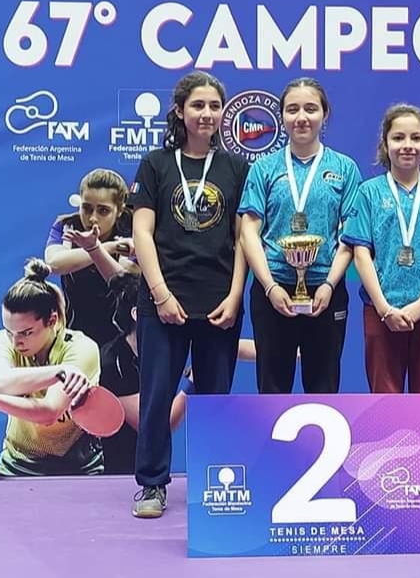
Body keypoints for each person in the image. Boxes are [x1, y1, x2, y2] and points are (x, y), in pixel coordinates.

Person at [129, 71, 249, 518]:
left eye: (214, 106)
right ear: (180, 111)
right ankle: (152, 485)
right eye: (198, 105)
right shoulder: (156, 164)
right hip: (163, 302)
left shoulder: (236, 168)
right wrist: (160, 295)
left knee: (215, 400)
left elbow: (243, 238)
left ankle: (213, 484)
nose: (207, 114)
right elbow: (142, 232)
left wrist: (235, 296)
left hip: (219, 302)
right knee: (157, 396)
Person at [340, 103, 420, 438]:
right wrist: (384, 308)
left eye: (416, 137)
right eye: (398, 137)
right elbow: (360, 254)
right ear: (385, 143)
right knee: (384, 403)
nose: (407, 145)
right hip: (380, 311)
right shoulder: (368, 193)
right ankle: (387, 473)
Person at [239, 77, 361, 395]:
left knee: (323, 390)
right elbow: (248, 233)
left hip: (325, 291)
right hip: (273, 290)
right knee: (271, 390)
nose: (301, 117)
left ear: (325, 114)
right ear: (282, 116)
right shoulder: (263, 168)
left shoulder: (344, 168)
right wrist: (269, 286)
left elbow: (350, 235)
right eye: (292, 109)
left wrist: (329, 284)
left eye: (310, 108)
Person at [99, 272, 257, 475]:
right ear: (137, 314)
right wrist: (192, 384)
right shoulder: (114, 362)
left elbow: (233, 347)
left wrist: (283, 353)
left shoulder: (171, 336)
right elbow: (158, 423)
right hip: (121, 469)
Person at [0, 258, 101, 476]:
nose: (16, 342)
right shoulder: (1, 340)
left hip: (78, 468)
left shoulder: (82, 349)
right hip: (16, 464)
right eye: (9, 331)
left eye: (26, 333)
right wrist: (59, 373)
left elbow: (49, 412)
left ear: (52, 320)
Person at [44, 168, 138, 347]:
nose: (93, 218)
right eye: (86, 208)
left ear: (119, 211)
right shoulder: (67, 226)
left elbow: (127, 278)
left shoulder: (132, 229)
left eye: (103, 211)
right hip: (74, 335)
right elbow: (55, 264)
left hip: (121, 339)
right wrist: (106, 247)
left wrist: (95, 248)